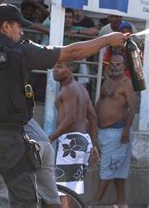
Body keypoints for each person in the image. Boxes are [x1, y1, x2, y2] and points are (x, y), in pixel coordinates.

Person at [0, 3, 127, 207]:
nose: (21, 31)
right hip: (10, 141)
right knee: (25, 200)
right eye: (18, 26)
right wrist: (107, 40)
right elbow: (72, 52)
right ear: (6, 26)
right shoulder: (22, 52)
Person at [49, 61, 99, 206]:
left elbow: (70, 118)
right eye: (54, 66)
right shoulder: (82, 89)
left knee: (63, 190)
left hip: (71, 142)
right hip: (82, 140)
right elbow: (93, 118)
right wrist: (93, 145)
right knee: (71, 190)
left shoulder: (69, 89)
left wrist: (49, 138)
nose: (54, 70)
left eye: (59, 66)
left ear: (70, 69)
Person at [92, 54, 137, 208]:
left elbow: (133, 108)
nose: (115, 66)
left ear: (124, 67)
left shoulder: (127, 83)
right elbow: (99, 103)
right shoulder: (107, 82)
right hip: (104, 132)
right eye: (112, 64)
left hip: (118, 133)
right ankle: (122, 203)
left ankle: (94, 204)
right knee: (117, 171)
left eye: (118, 64)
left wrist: (126, 129)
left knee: (106, 170)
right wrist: (93, 122)